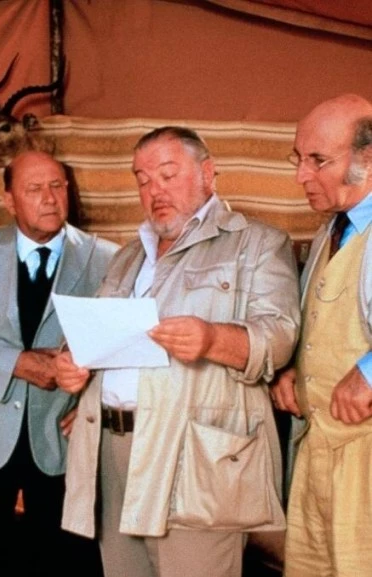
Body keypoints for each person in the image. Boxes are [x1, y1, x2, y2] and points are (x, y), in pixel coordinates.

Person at [56, 126, 301, 577]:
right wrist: (70, 362)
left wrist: (212, 338)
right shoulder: (127, 256)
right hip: (111, 450)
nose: (155, 191)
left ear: (208, 173)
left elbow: (280, 335)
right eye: (143, 180)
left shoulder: (258, 243)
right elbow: (96, 334)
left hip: (195, 455)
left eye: (168, 175)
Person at [0, 150, 117, 577]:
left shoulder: (108, 259)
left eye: (57, 186)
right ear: (9, 200)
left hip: (64, 440)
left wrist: (95, 401)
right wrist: (17, 363)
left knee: (66, 562)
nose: (49, 198)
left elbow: (123, 348)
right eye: (34, 189)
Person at [270, 94, 372, 577]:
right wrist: (296, 367)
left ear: (367, 158)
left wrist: (369, 373)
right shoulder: (331, 230)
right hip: (317, 451)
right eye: (298, 158)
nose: (301, 176)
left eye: (318, 160)